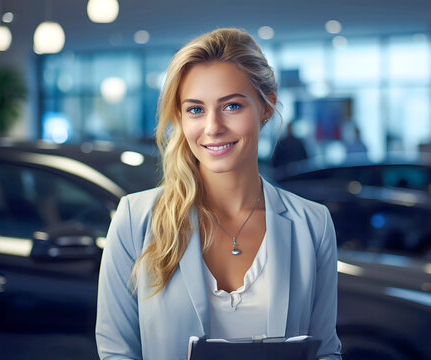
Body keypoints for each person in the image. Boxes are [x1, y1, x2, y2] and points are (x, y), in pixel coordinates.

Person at [96, 28, 342, 360]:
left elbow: (325, 351)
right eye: (195, 109)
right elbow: (116, 352)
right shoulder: (135, 219)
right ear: (180, 117)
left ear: (266, 105)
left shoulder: (313, 224)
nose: (213, 127)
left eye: (231, 106)